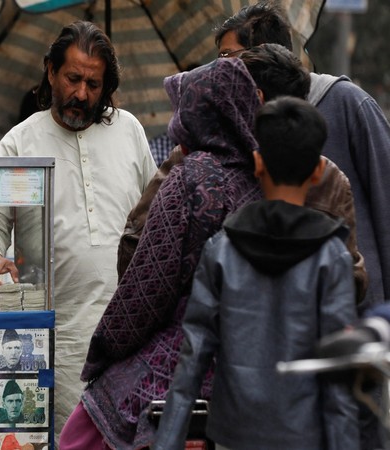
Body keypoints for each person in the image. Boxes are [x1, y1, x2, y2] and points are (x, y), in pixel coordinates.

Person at [60, 57, 262, 449]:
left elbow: (147, 289)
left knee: (78, 436)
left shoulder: (190, 178)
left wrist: (104, 349)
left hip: (182, 363)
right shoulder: (265, 178)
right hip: (250, 366)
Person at [0, 20, 156, 438]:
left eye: (93, 83)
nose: (81, 94)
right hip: (60, 333)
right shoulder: (19, 143)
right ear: (50, 71)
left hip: (128, 327)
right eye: (73, 79)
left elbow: (153, 214)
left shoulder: (129, 131)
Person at [153, 96, 359, 450]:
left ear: (258, 163)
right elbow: (338, 379)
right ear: (318, 172)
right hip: (305, 437)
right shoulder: (331, 257)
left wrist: (167, 443)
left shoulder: (222, 250)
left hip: (233, 435)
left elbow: (191, 364)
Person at [117, 43, 367, 307]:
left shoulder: (193, 158)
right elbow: (352, 283)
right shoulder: (327, 175)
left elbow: (135, 249)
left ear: (254, 98)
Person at [214, 0, 390, 313]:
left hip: (362, 310)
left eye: (230, 58)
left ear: (263, 55)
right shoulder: (241, 128)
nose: (221, 71)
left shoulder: (346, 103)